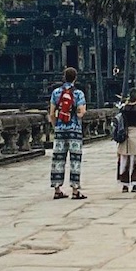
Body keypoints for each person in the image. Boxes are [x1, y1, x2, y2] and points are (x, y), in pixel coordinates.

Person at [49, 66, 87, 200]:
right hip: (74, 129)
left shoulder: (56, 93)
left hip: (60, 129)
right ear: (75, 78)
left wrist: (56, 126)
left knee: (58, 159)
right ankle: (75, 190)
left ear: (63, 77)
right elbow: (81, 113)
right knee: (75, 160)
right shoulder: (78, 94)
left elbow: (52, 113)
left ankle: (57, 189)